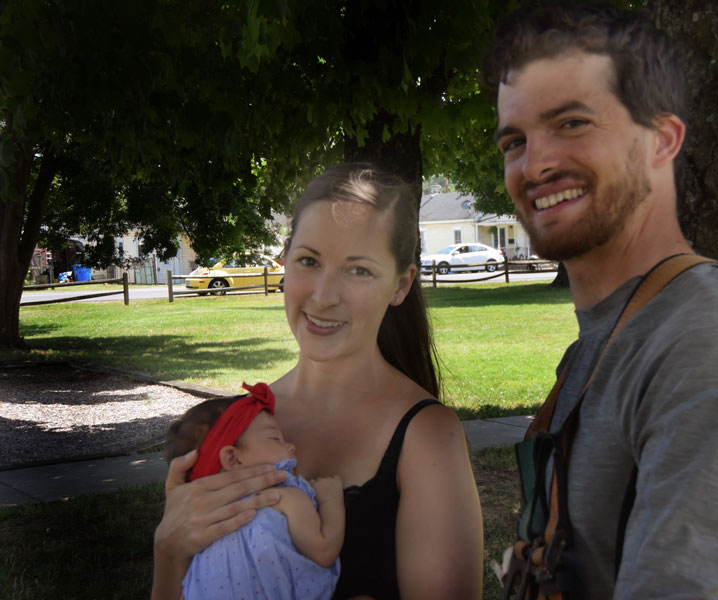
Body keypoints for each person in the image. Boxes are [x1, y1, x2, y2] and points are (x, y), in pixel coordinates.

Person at [482, 3, 718, 598]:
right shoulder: (607, 338)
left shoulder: (710, 338)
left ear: (663, 140)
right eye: (515, 140)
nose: (535, 164)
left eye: (573, 123)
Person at [152, 164, 484, 599]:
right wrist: (170, 552)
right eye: (309, 261)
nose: (324, 296)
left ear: (401, 285)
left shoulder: (427, 437)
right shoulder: (236, 422)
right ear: (285, 259)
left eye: (358, 270)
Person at [164, 382, 344, 599]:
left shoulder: (201, 527)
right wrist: (330, 500)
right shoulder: (280, 497)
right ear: (232, 457)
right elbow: (324, 551)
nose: (291, 446)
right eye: (275, 438)